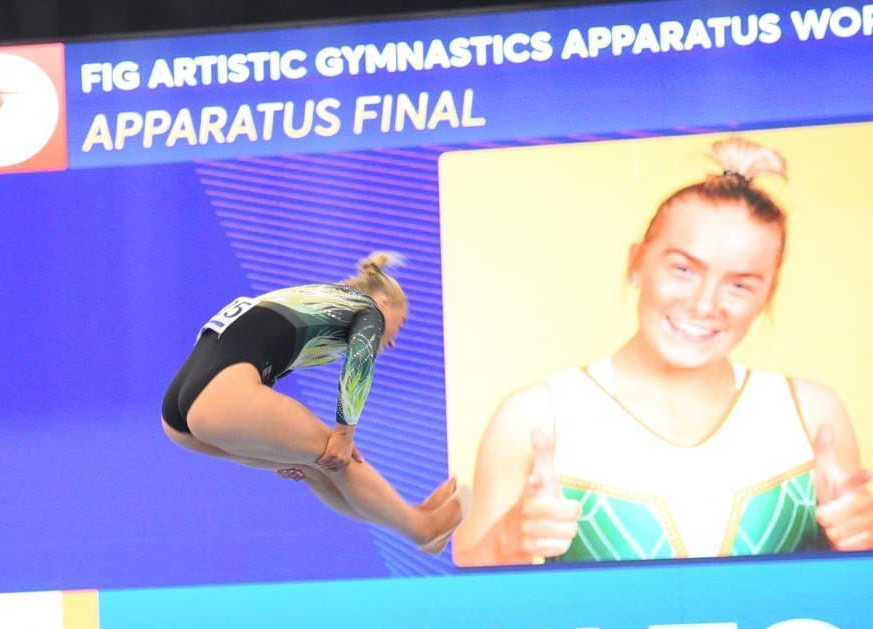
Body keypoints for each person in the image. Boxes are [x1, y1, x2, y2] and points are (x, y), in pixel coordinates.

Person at [454, 137, 873, 566]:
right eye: (683, 269)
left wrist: (859, 547)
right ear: (637, 263)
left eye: (740, 285)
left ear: (767, 295)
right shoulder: (535, 419)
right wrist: (507, 543)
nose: (704, 305)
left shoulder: (812, 416)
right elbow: (449, 598)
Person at [162, 253, 465, 554]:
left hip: (180, 412)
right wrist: (344, 435)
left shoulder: (309, 302)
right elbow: (359, 365)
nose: (396, 338)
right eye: (403, 321)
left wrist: (271, 447)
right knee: (337, 456)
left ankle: (414, 517)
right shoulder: (367, 308)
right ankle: (423, 529)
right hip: (220, 397)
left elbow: (248, 344)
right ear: (384, 303)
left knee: (315, 463)